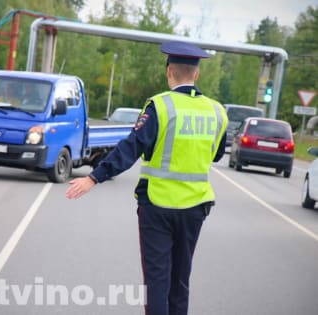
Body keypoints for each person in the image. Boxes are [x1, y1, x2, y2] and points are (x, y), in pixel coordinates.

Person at [66, 41, 228, 315]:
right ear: (196, 75)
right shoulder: (217, 111)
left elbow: (132, 147)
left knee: (157, 281)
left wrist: (94, 177)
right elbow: (216, 155)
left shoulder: (160, 106)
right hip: (195, 209)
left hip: (158, 206)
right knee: (180, 281)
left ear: (169, 72)